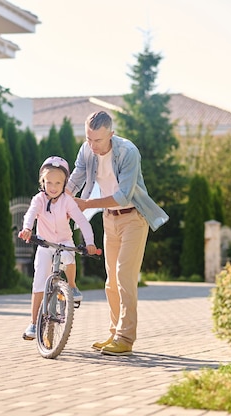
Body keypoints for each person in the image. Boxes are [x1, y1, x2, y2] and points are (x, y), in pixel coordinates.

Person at [67, 111, 169, 356]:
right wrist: (59, 200)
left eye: (98, 140)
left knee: (124, 275)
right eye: (89, 139)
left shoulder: (128, 152)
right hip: (109, 219)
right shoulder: (86, 150)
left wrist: (86, 205)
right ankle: (114, 333)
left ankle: (125, 338)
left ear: (111, 134)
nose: (93, 146)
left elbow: (124, 195)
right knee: (111, 281)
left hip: (133, 217)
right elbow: (75, 179)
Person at [18, 156, 98, 341]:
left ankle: (72, 286)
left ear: (64, 184)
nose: (53, 186)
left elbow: (82, 221)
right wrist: (27, 229)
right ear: (42, 182)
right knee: (38, 283)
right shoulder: (38, 199)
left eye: (58, 183)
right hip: (45, 245)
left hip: (64, 242)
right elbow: (30, 214)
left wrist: (90, 242)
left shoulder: (67, 201)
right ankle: (33, 323)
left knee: (70, 256)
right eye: (49, 182)